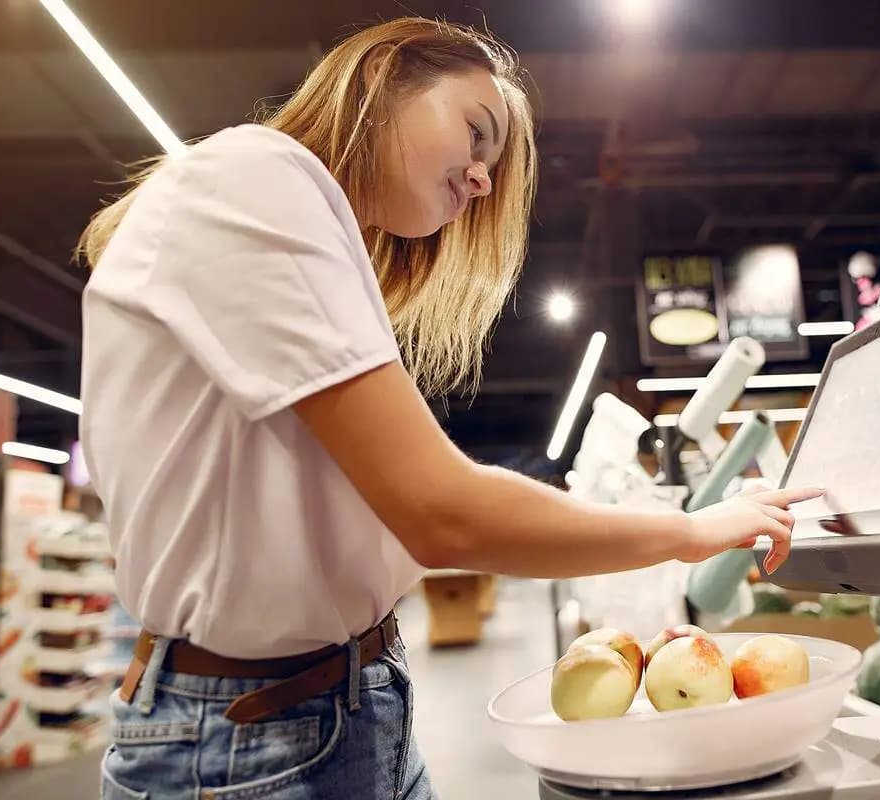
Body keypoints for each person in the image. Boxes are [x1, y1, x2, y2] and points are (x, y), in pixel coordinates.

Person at [78, 17, 821, 800]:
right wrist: (692, 532)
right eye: (476, 132)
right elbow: (442, 512)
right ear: (387, 77)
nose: (482, 179)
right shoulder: (257, 177)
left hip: (333, 709)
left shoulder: (295, 220)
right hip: (251, 738)